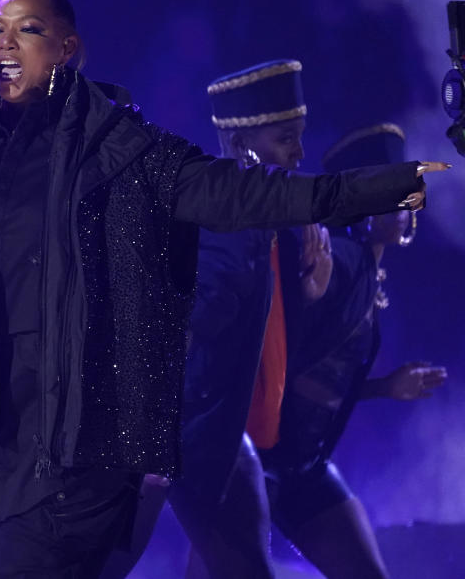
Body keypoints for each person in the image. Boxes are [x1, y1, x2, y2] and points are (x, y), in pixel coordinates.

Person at [0, 0, 442, 578]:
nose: (2, 44)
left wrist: (393, 183)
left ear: (68, 51)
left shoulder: (122, 152)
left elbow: (247, 197)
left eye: (28, 30)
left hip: (82, 450)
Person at [103, 60, 334, 579]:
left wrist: (309, 295)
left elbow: (265, 346)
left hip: (218, 434)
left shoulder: (264, 219)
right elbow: (188, 325)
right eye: (285, 138)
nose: (298, 152)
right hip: (176, 427)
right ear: (242, 144)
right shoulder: (226, 218)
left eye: (300, 137)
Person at [258, 124, 448, 579]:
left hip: (305, 467)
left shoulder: (367, 266)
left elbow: (324, 378)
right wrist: (310, 292)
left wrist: (387, 387)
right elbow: (303, 304)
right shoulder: (344, 257)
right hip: (258, 461)